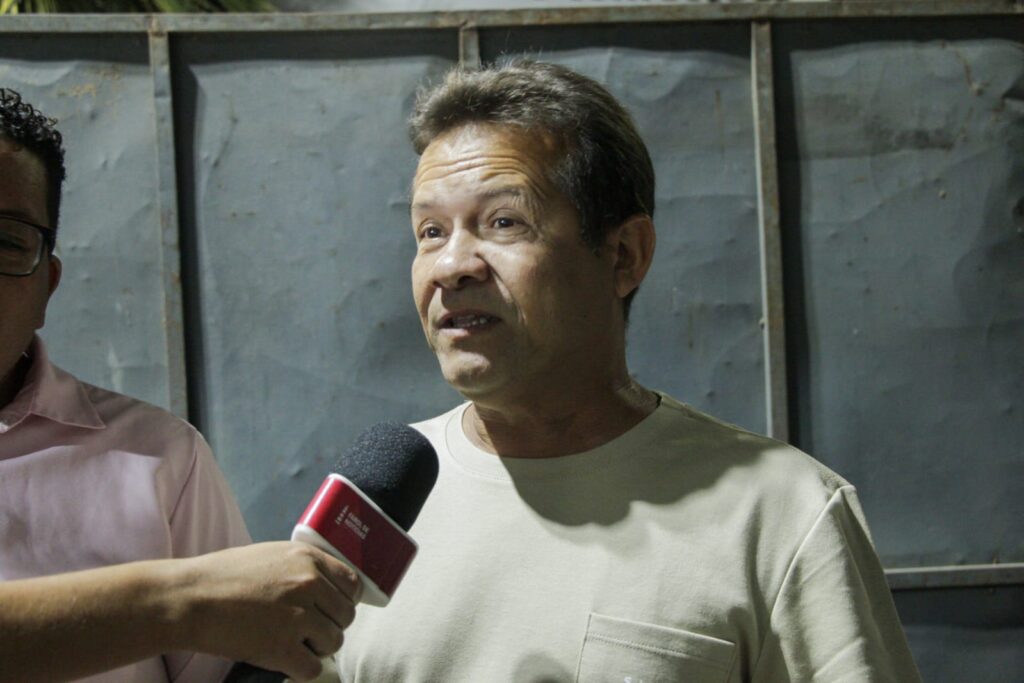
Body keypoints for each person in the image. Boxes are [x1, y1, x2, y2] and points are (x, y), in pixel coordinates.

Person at [334, 60, 923, 681]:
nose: (451, 265)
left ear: (624, 255)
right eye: (430, 231)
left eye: (503, 222)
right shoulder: (377, 502)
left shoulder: (782, 513)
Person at [0, 88, 358, 683]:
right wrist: (180, 603)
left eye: (6, 241)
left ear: (47, 286)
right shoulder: (178, 597)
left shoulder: (162, 458)